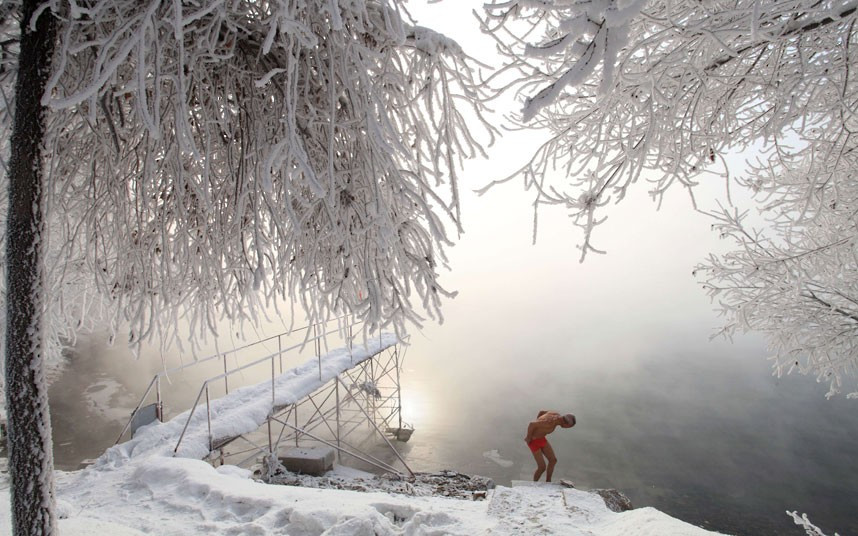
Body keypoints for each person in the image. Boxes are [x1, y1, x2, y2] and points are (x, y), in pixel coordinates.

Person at [524, 410, 576, 482]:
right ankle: (534, 484)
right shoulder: (549, 423)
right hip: (534, 442)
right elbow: (532, 424)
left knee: (553, 460)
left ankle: (548, 481)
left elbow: (541, 412)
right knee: (542, 467)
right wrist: (528, 437)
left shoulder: (555, 414)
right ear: (565, 423)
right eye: (569, 427)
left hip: (542, 439)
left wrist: (539, 421)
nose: (568, 428)